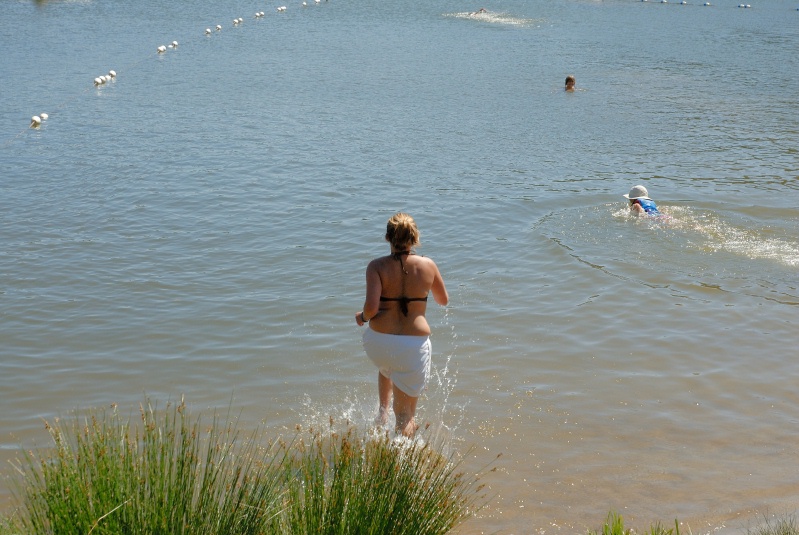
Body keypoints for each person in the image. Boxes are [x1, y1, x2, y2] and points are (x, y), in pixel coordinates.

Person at [355, 213, 449, 437]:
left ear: (388, 238)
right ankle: (399, 461)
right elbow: (443, 300)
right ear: (415, 238)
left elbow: (371, 308)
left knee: (387, 366)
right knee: (406, 415)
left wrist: (362, 318)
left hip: (378, 343)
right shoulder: (428, 265)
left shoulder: (376, 266)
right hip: (412, 346)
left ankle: (382, 413)